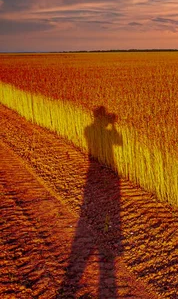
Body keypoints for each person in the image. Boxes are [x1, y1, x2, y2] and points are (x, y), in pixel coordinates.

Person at [60, 106, 123, 298]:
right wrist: (112, 127)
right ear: (100, 117)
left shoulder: (89, 129)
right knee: (109, 205)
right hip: (103, 169)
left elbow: (115, 143)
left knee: (99, 200)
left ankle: (100, 232)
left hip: (95, 168)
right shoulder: (97, 130)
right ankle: (105, 236)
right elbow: (120, 143)